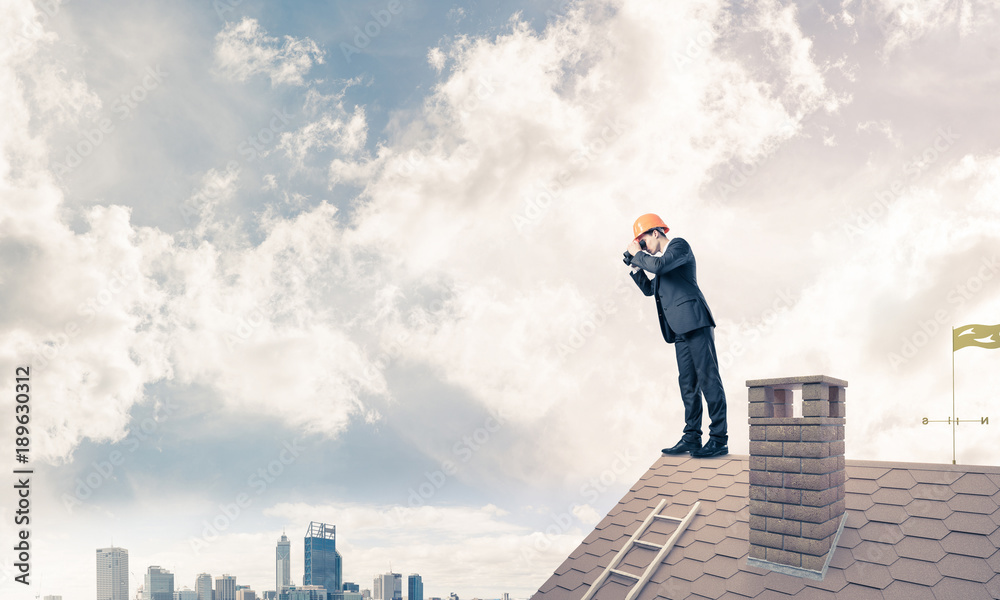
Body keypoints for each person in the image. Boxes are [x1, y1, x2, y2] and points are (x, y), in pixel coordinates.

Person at [623, 213, 728, 458]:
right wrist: (635, 265)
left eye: (643, 240)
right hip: (679, 329)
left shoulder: (679, 246)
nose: (643, 246)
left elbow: (659, 265)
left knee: (708, 379)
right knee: (687, 384)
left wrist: (638, 254)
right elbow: (650, 290)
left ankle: (719, 439)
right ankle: (692, 437)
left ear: (655, 233)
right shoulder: (662, 264)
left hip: (696, 322)